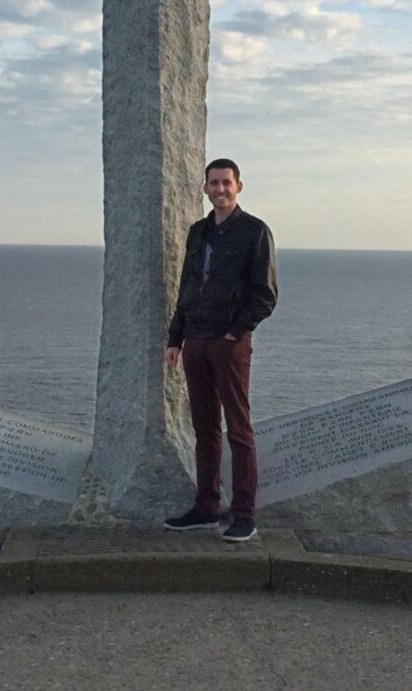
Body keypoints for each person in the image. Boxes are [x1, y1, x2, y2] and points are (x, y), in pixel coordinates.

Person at [163, 158, 278, 543]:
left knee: (239, 430)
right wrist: (175, 338)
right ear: (205, 188)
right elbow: (188, 287)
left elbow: (265, 296)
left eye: (226, 183)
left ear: (238, 187)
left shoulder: (255, 231)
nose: (219, 189)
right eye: (213, 183)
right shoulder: (198, 232)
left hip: (229, 345)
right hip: (195, 340)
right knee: (205, 428)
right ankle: (206, 508)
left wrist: (235, 334)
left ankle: (244, 514)